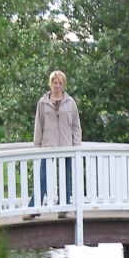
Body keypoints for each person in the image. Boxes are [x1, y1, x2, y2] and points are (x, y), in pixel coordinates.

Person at [23, 70, 82, 220]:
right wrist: (37, 144)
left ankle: (63, 208)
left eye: (60, 83)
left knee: (65, 177)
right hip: (48, 145)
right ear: (51, 84)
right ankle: (34, 209)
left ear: (64, 85)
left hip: (66, 145)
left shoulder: (70, 102)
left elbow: (76, 125)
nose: (57, 86)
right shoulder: (43, 102)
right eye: (55, 82)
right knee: (43, 177)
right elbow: (39, 124)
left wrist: (76, 144)